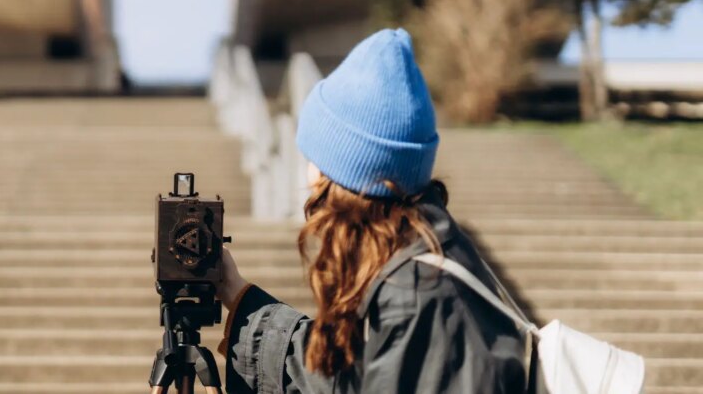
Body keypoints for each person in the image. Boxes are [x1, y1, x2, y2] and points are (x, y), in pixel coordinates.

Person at [216, 28, 533, 394]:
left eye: (314, 157)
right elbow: (341, 379)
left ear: (341, 174)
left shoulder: (419, 298)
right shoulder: (408, 270)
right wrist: (237, 295)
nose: (307, 172)